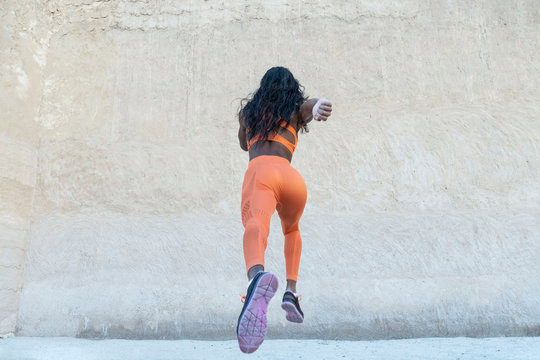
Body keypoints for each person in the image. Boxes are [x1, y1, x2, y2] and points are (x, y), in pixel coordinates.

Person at [235, 66, 332, 353]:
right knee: (291, 230)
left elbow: (243, 145)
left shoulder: (248, 114)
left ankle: (256, 279)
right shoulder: (293, 110)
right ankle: (291, 291)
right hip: (292, 179)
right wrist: (318, 106)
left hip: (262, 172)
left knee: (256, 224)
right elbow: (310, 106)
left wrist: (247, 124)